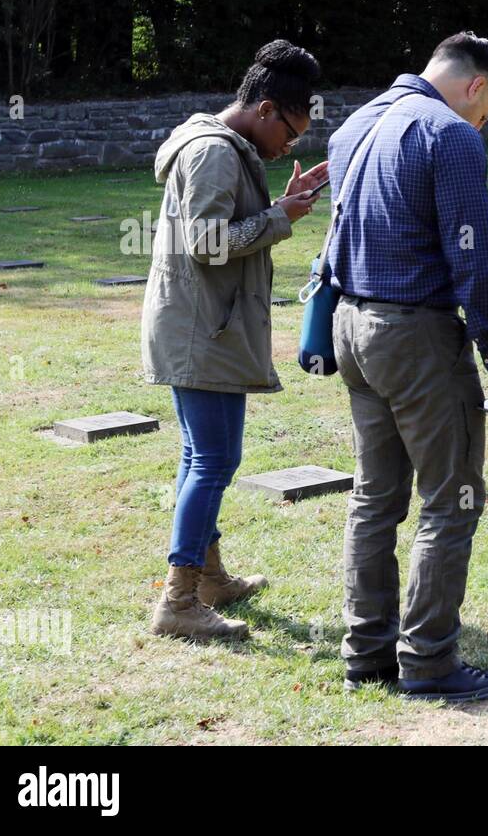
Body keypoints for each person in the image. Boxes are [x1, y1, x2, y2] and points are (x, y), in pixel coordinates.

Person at [324, 31, 488, 700]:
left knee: (374, 496)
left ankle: (366, 655)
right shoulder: (450, 134)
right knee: (452, 499)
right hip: (416, 336)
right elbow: (475, 256)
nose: (484, 122)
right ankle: (430, 662)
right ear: (477, 87)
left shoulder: (355, 124)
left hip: (352, 326)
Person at [143, 40, 327, 641]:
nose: (289, 146)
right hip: (203, 331)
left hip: (199, 324)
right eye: (292, 132)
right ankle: (179, 600)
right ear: (268, 108)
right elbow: (208, 243)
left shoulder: (220, 147)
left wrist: (281, 205)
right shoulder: (216, 154)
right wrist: (281, 220)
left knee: (202, 457)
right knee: (216, 460)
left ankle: (209, 579)